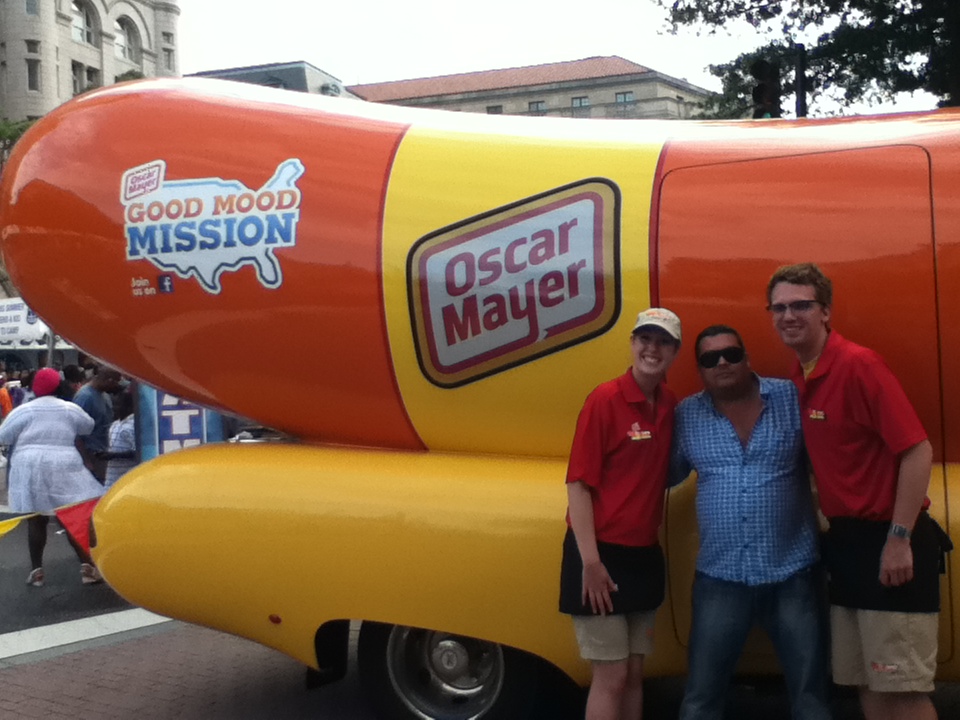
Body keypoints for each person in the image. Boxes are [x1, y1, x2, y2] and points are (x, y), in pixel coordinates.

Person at [768, 262, 951, 720]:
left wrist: (898, 538)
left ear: (826, 311)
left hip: (889, 543)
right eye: (779, 308)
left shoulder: (858, 365)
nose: (788, 316)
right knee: (867, 684)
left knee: (902, 690)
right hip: (846, 546)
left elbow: (917, 451)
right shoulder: (800, 375)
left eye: (800, 305)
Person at [671, 325, 831, 720]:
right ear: (700, 370)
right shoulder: (686, 414)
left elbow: (832, 453)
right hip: (720, 578)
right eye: (710, 358)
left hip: (792, 573)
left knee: (811, 698)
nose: (722, 363)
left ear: (747, 358)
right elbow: (660, 474)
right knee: (701, 698)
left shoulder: (789, 397)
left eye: (731, 354)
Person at [559, 308, 682, 720]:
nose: (652, 349)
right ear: (632, 343)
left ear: (675, 352)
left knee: (633, 674)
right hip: (600, 557)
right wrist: (591, 563)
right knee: (610, 676)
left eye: (663, 342)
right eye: (645, 339)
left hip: (643, 556)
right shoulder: (605, 399)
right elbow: (578, 485)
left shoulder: (669, 405)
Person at [0, 367, 105, 587]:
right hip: (63, 462)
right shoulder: (69, 408)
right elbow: (87, 427)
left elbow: (4, 436)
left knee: (36, 518)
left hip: (28, 464)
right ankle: (87, 568)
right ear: (59, 386)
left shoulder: (24, 410)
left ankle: (37, 572)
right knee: (69, 516)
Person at [72, 366, 122, 482]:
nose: (116, 386)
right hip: (92, 455)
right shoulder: (85, 397)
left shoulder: (105, 395)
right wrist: (86, 461)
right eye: (116, 382)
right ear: (109, 380)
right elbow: (76, 432)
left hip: (104, 453)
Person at [104, 388, 136, 488]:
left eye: (118, 405)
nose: (114, 408)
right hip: (111, 477)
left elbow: (139, 452)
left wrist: (116, 455)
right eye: (114, 405)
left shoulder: (134, 425)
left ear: (129, 407)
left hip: (129, 476)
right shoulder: (115, 424)